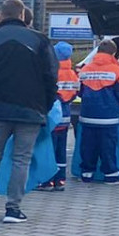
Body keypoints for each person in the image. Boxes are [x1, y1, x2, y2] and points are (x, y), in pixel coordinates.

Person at [0, 0, 58, 225]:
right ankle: (13, 209)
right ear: (22, 15)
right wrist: (45, 106)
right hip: (31, 110)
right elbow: (51, 76)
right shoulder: (40, 40)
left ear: (0, 15)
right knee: (21, 159)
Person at [76, 39, 119, 183]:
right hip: (108, 116)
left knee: (88, 146)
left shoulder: (85, 69)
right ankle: (110, 175)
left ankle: (87, 173)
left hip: (87, 115)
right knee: (108, 146)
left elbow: (79, 91)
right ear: (113, 53)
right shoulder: (116, 70)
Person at [46, 41, 78, 190]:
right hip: (65, 118)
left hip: (53, 118)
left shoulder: (53, 72)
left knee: (49, 150)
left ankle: (48, 180)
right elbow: (75, 93)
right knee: (61, 150)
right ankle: (60, 180)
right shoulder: (72, 74)